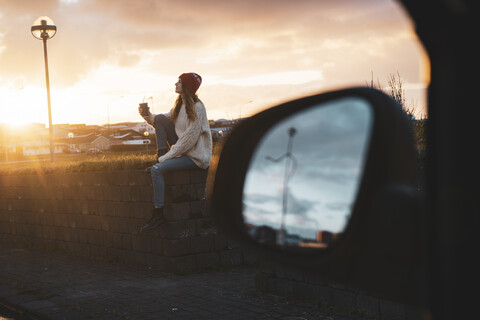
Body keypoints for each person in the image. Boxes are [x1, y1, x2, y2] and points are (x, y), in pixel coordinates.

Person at [138, 72, 212, 231]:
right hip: (183, 151)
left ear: (186, 86)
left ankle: (159, 214)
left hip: (195, 157)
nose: (175, 84)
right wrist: (146, 115)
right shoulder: (179, 104)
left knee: (157, 169)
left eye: (179, 82)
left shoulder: (198, 107)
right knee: (159, 118)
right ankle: (160, 155)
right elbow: (160, 123)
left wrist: (165, 158)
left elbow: (189, 140)